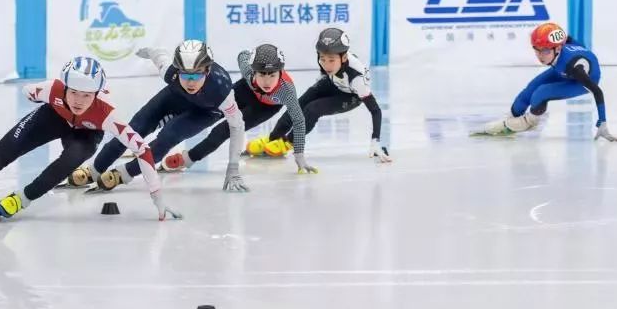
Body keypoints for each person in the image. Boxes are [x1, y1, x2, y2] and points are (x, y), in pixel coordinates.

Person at [0, 57, 181, 221]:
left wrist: (157, 198)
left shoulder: (107, 114)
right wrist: (55, 106)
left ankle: (22, 199)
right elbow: (28, 93)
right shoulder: (50, 90)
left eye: (87, 95)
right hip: (52, 117)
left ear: (97, 94)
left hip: (86, 132)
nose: (80, 100)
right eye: (74, 93)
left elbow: (142, 151)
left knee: (73, 158)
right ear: (64, 87)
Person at [72, 40, 249, 193]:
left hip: (205, 111)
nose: (190, 81)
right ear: (177, 70)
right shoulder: (170, 72)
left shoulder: (222, 90)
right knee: (133, 129)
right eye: (185, 74)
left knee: (168, 137)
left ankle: (124, 174)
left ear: (208, 71)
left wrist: (233, 168)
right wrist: (148, 51)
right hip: (176, 97)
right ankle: (95, 170)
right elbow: (158, 54)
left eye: (196, 74)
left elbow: (237, 126)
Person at [162, 44, 317, 174]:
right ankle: (159, 130)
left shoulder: (286, 90)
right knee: (204, 110)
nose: (267, 81)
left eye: (272, 75)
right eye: (262, 74)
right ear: (253, 71)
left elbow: (299, 121)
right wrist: (250, 75)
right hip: (245, 91)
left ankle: (187, 159)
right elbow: (242, 55)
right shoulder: (248, 71)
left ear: (281, 72)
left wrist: (299, 156)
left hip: (265, 108)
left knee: (222, 131)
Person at [246, 28, 392, 163]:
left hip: (350, 96)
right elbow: (327, 69)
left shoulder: (357, 78)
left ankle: (288, 142)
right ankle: (274, 138)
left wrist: (375, 140)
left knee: (313, 109)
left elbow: (375, 110)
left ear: (344, 57)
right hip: (333, 82)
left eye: (331, 60)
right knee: (299, 103)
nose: (326, 65)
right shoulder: (327, 63)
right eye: (322, 59)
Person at [481, 22, 617, 141]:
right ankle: (511, 116)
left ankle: (530, 122)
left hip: (581, 80)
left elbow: (597, 91)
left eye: (545, 51)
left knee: (542, 92)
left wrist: (603, 122)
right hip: (562, 69)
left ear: (558, 48)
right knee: (530, 89)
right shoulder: (558, 48)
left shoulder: (573, 66)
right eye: (537, 50)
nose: (540, 56)